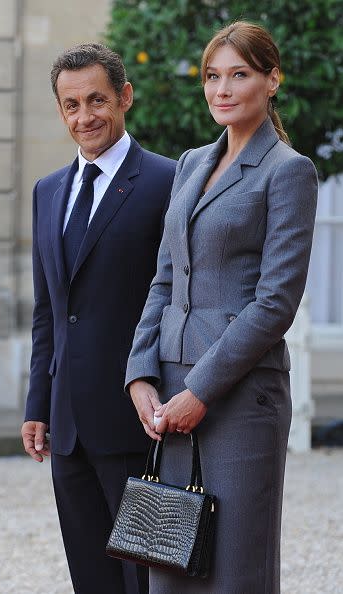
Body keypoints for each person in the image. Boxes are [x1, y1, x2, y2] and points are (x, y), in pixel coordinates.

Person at [125, 21, 318, 594]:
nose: (222, 89)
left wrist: (201, 391)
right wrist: (140, 374)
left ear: (272, 80)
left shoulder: (290, 172)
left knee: (235, 573)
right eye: (213, 76)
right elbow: (162, 279)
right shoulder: (190, 164)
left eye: (239, 74)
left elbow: (276, 302)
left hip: (238, 396)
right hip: (170, 392)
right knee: (169, 561)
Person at [21, 43, 176, 594]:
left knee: (150, 578)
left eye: (96, 101)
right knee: (92, 579)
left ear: (124, 97)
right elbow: (50, 311)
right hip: (67, 428)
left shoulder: (168, 181)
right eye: (71, 105)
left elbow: (179, 297)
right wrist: (38, 403)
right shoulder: (47, 192)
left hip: (140, 420)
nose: (84, 117)